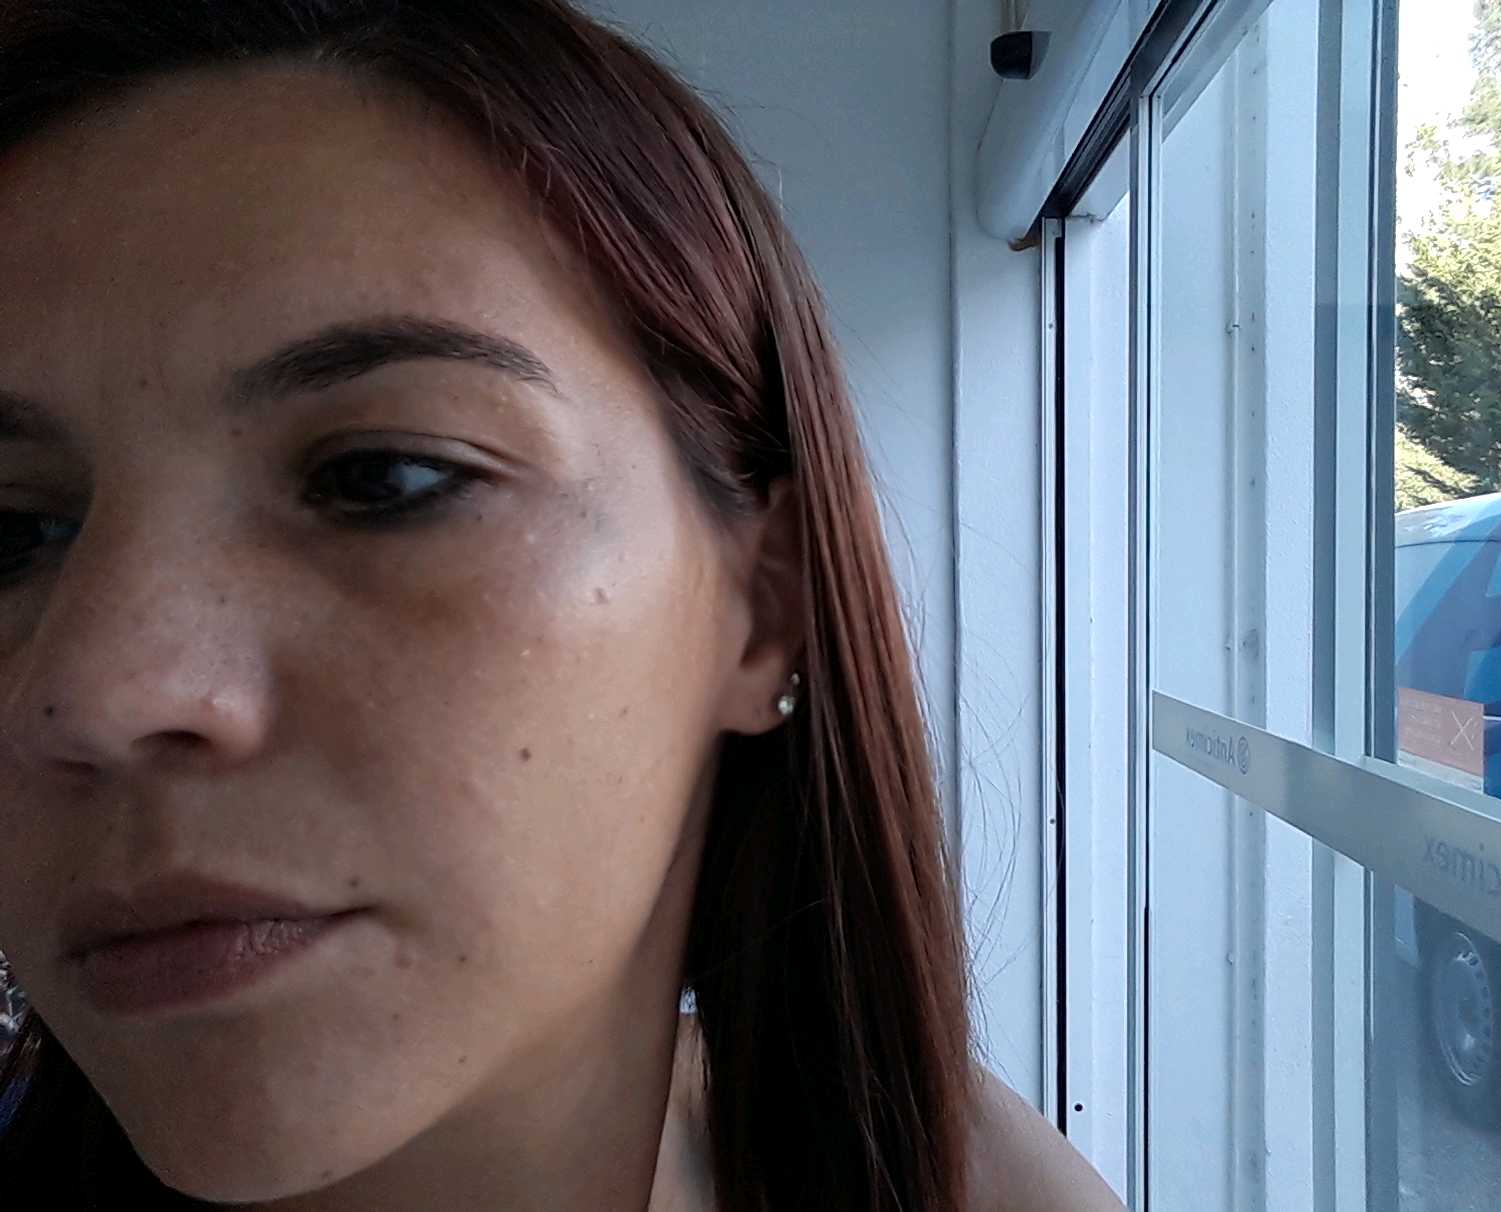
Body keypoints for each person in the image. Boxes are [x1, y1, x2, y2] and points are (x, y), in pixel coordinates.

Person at [0, 2, 1126, 1209]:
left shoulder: (968, 1184)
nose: (90, 692)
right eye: (9, 533)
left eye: (385, 478)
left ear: (764, 606)